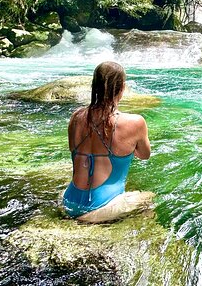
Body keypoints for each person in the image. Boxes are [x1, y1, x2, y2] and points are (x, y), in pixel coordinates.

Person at [62, 61, 152, 223]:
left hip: (69, 201)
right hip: (102, 206)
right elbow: (144, 155)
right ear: (122, 87)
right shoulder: (135, 122)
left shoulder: (76, 117)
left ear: (93, 86)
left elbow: (72, 151)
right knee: (149, 198)